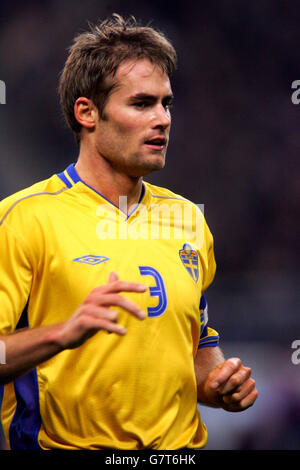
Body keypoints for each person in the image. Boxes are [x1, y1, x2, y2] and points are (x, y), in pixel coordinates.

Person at [0, 14, 258, 450]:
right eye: (142, 104)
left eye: (166, 103)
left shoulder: (187, 218)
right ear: (87, 113)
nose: (162, 119)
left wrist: (217, 384)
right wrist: (63, 333)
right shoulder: (25, 218)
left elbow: (197, 342)